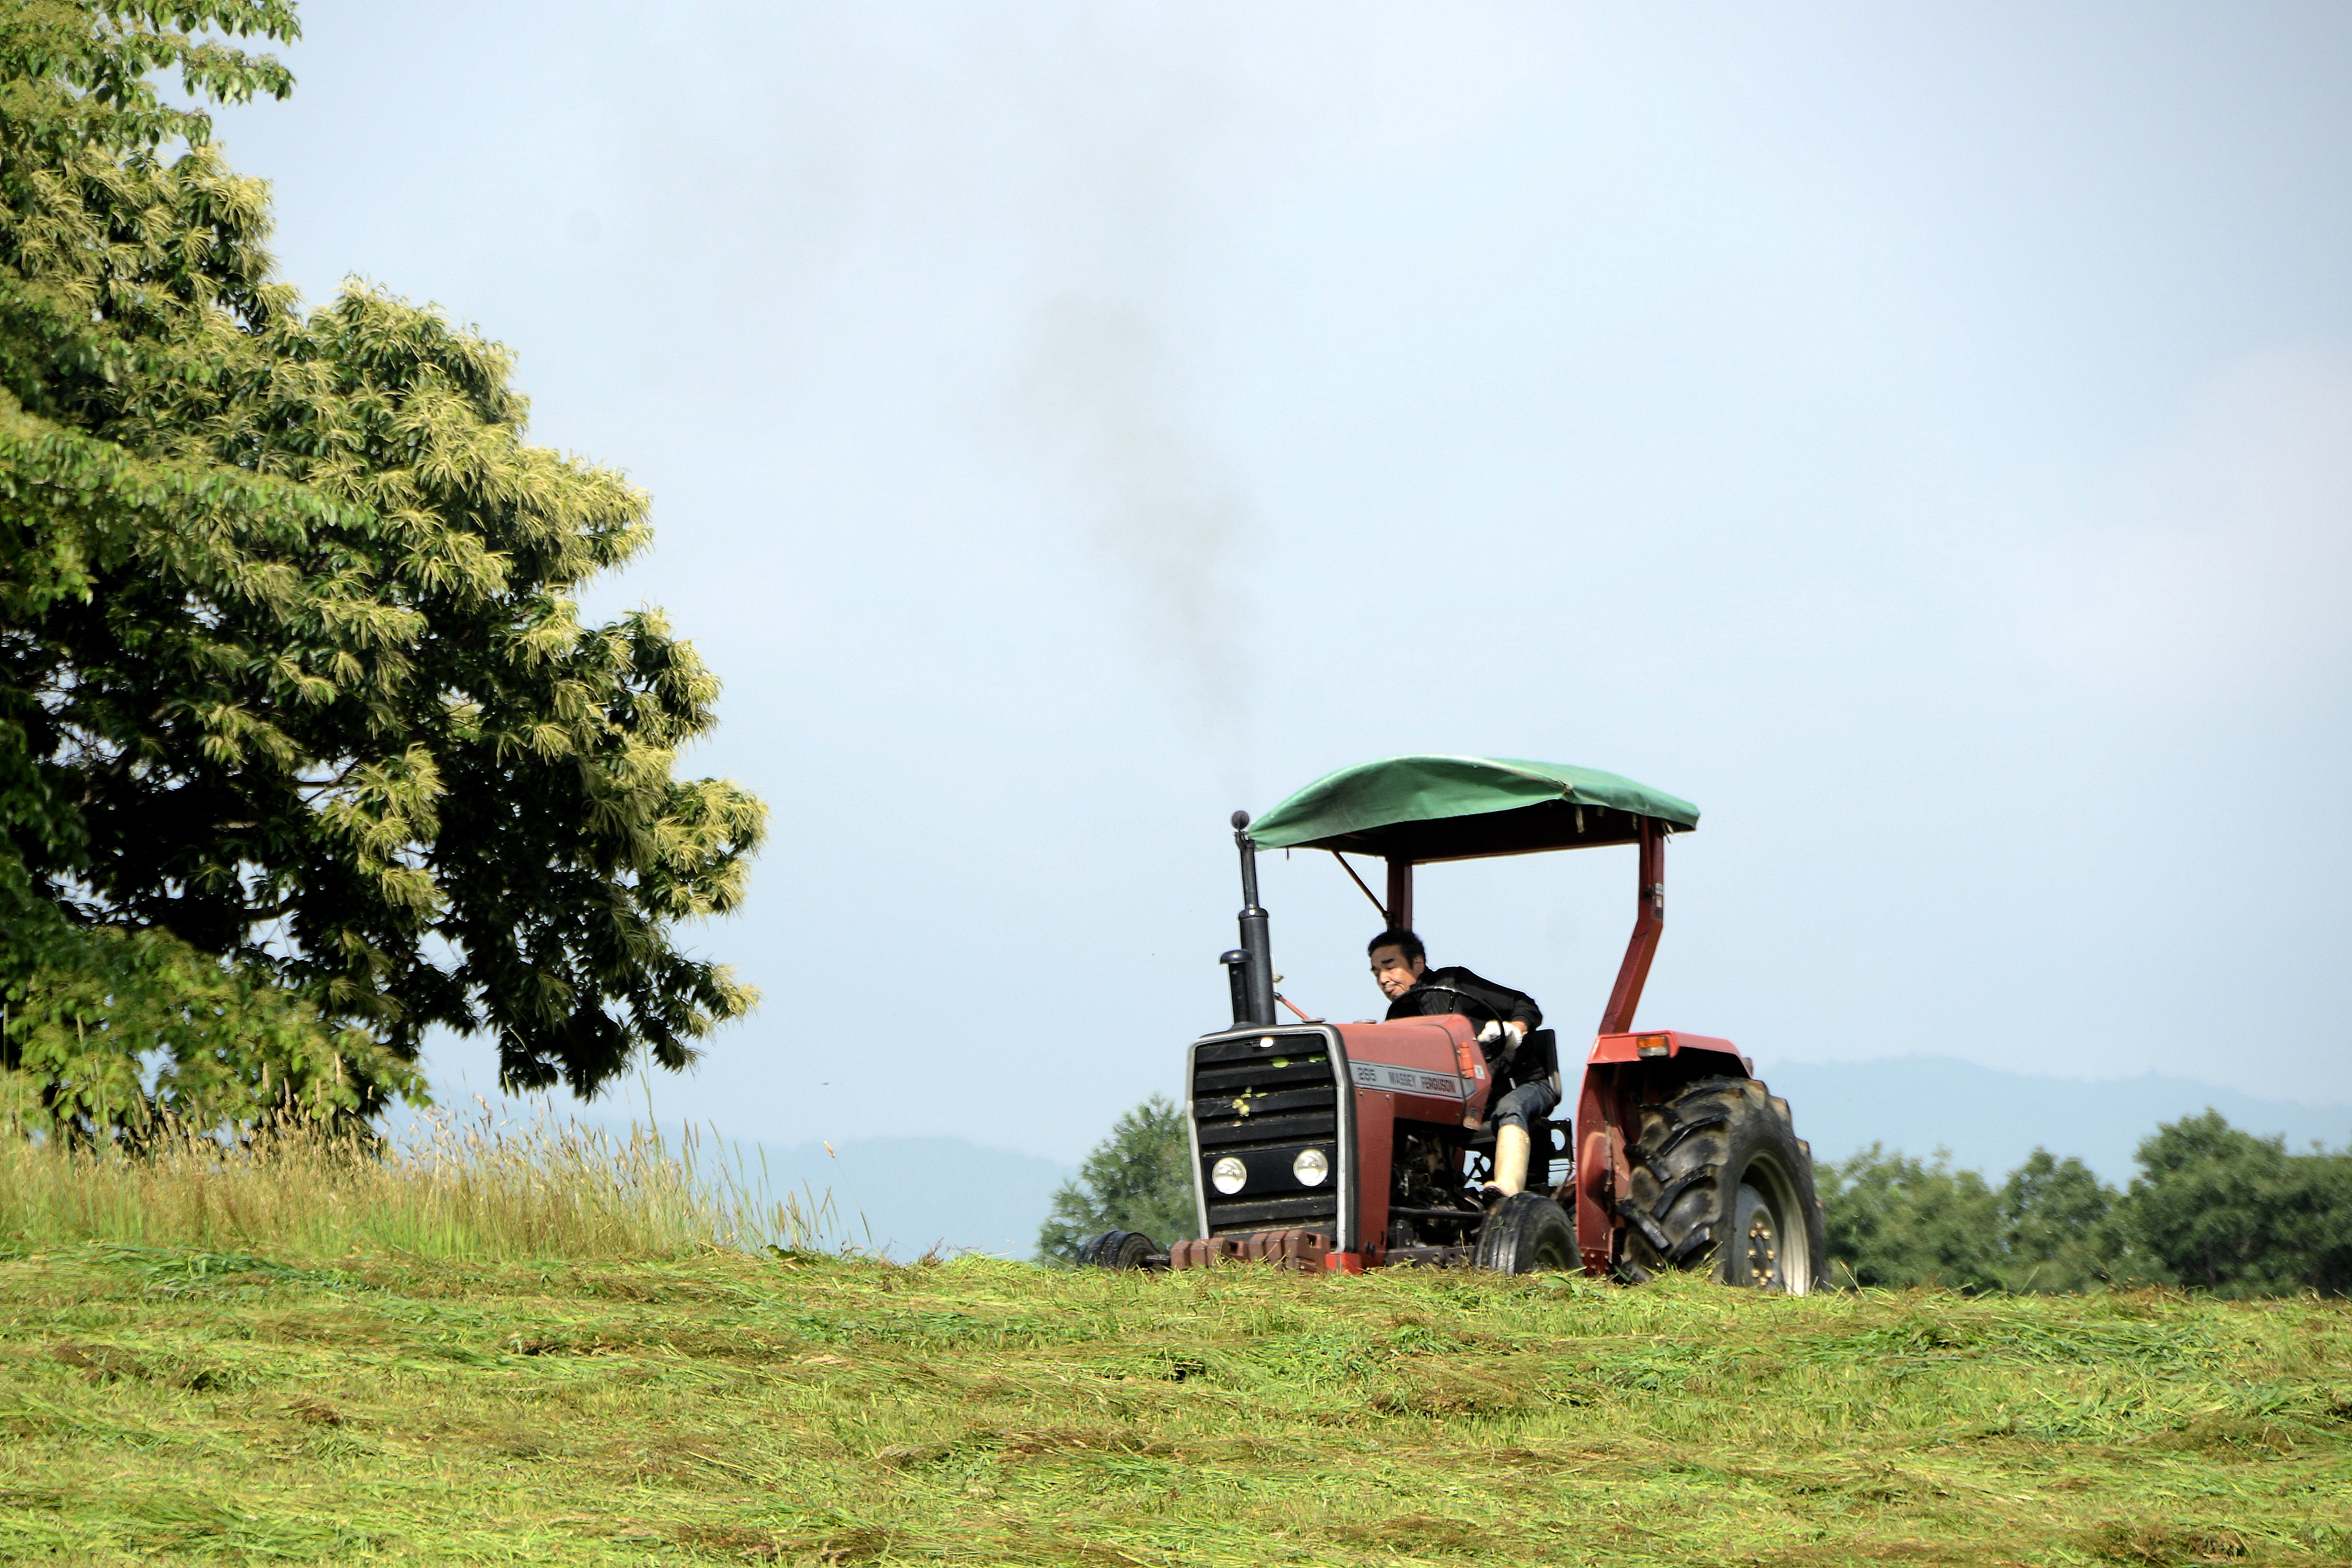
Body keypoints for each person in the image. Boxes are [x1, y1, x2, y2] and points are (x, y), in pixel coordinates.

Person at [1368, 928, 1559, 1202]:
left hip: (1523, 1084)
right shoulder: (1397, 1017)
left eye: (1391, 967)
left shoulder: (1453, 982)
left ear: (1418, 964)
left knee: (1511, 1108)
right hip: (1467, 1101)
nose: (1383, 979)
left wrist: (1512, 1032)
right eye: (1376, 973)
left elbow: (1525, 1005)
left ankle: (1507, 1189)